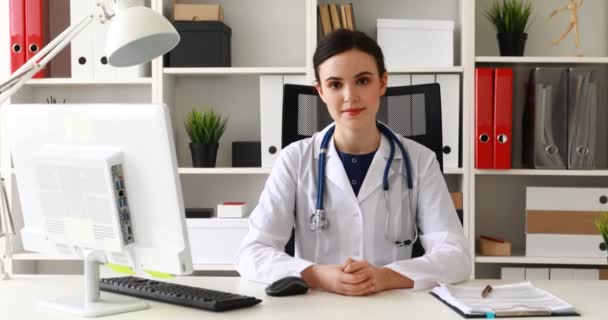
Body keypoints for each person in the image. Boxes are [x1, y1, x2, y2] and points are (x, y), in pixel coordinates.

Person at [235, 29, 471, 295]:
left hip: (392, 306)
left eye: (363, 81)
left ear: (382, 83)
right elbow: (252, 253)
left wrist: (385, 277)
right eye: (335, 84)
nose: (350, 96)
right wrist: (317, 275)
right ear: (320, 91)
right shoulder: (294, 160)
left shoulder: (420, 161)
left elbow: (456, 256)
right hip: (315, 307)